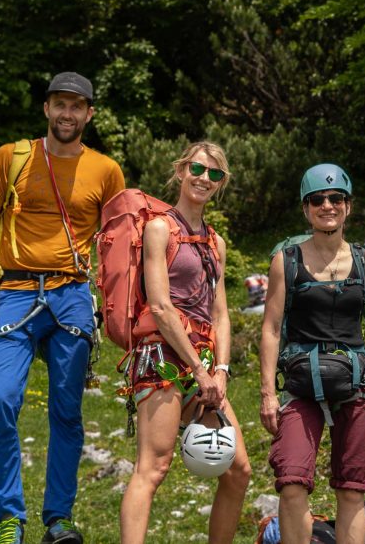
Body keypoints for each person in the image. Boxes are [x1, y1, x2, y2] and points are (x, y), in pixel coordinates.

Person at [0, 72, 125, 544]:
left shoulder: (106, 170)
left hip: (72, 294)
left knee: (67, 411)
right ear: (46, 109)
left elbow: (118, 245)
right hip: (12, 291)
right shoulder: (11, 158)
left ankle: (58, 519)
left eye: (77, 106)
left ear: (89, 114)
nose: (67, 114)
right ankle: (9, 519)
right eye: (59, 104)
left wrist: (117, 309)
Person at [119, 142, 251, 544]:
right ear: (181, 171)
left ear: (221, 183)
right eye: (197, 169)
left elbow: (221, 313)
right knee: (153, 467)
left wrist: (221, 370)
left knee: (238, 469)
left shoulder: (216, 243)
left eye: (214, 174)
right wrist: (198, 367)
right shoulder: (160, 227)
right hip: (161, 357)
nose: (203, 178)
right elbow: (160, 305)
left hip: (206, 364)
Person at [259, 164, 365, 544]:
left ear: (348, 207)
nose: (327, 206)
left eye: (336, 199)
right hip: (300, 385)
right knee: (291, 483)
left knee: (352, 488)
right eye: (317, 200)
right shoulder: (285, 262)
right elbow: (271, 329)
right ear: (306, 209)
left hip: (355, 384)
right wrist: (268, 393)